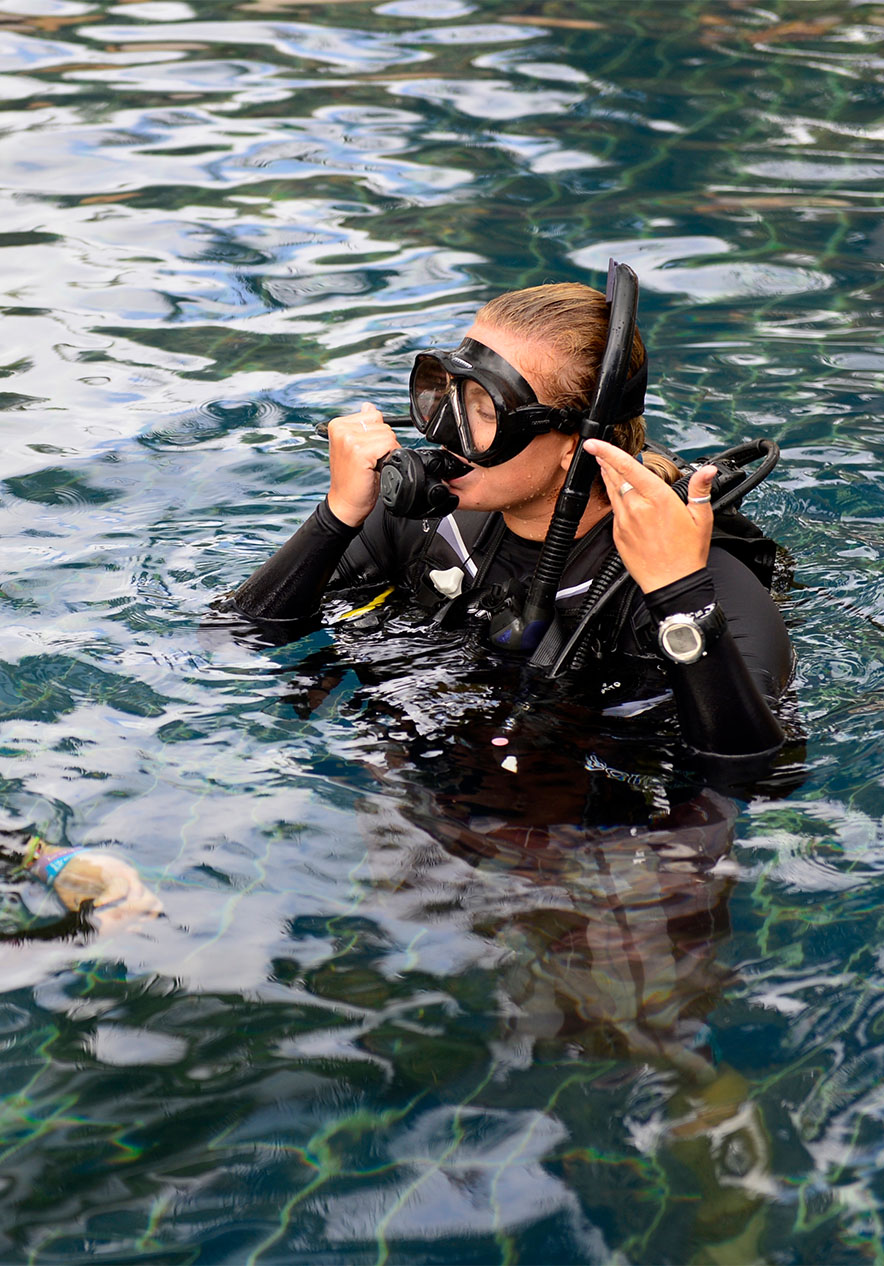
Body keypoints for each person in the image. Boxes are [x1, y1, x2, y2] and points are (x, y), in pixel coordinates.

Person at [226, 277, 793, 763]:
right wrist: (339, 512)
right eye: (447, 396)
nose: (445, 433)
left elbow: (757, 774)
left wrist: (679, 597)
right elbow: (237, 637)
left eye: (482, 413)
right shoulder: (429, 518)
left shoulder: (701, 582)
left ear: (576, 446)